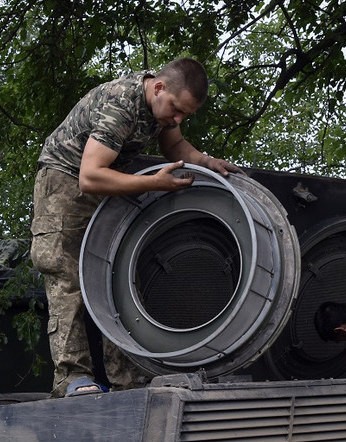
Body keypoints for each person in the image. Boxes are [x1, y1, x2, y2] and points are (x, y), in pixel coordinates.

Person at [31, 57, 240, 397]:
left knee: (118, 277)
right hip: (64, 183)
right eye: (176, 110)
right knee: (67, 280)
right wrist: (153, 184)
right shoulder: (121, 105)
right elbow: (89, 176)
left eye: (185, 115)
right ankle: (72, 378)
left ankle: (128, 379)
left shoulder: (162, 107)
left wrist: (206, 161)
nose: (178, 119)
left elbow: (174, 146)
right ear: (158, 87)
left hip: (107, 186)